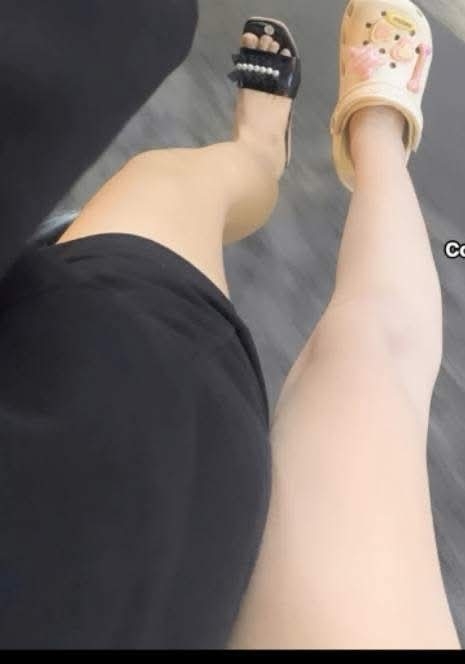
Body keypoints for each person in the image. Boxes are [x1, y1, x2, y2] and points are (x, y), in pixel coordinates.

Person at [0, 0, 460, 651]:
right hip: (124, 471)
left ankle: (259, 154)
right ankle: (369, 138)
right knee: (374, 360)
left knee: (166, 187)